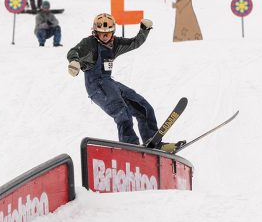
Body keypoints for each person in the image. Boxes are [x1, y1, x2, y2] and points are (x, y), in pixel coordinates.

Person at [67, 13, 179, 152]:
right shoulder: (89, 44)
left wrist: (144, 30)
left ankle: (153, 141)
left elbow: (134, 42)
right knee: (122, 112)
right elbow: (74, 52)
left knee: (143, 107)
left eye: (108, 33)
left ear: (113, 32)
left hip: (109, 83)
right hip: (96, 87)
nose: (105, 36)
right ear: (95, 32)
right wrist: (74, 62)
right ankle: (131, 146)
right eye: (101, 33)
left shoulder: (115, 44)